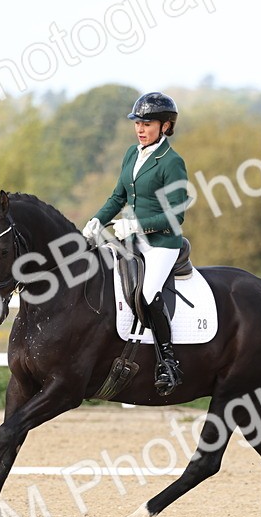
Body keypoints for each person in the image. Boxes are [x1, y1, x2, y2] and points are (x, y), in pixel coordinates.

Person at [81, 92, 189, 395]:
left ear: (166, 126)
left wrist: (137, 224)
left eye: (148, 123)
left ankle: (169, 362)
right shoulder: (132, 153)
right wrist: (97, 220)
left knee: (147, 292)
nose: (140, 128)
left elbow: (177, 213)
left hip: (161, 244)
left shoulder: (172, 162)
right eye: (137, 122)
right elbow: (118, 196)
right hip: (131, 239)